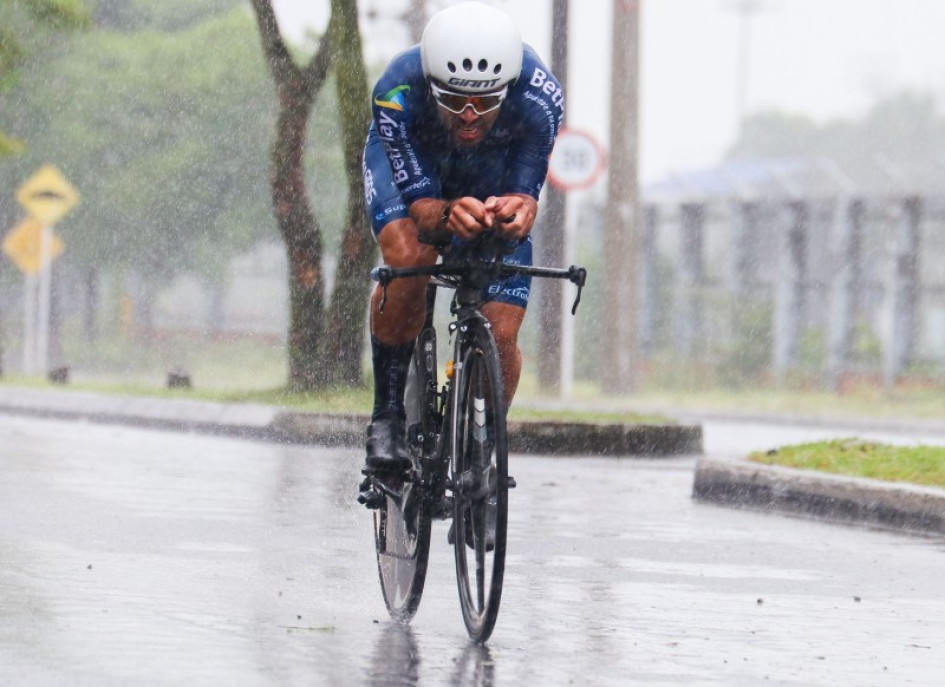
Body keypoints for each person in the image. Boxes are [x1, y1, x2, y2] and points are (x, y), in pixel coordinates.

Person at [362, 1, 563, 473]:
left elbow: (525, 194)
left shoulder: (540, 96)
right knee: (410, 256)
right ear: (431, 85)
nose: (470, 116)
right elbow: (426, 215)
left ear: (508, 88)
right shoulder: (396, 88)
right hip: (416, 170)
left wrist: (519, 210)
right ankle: (387, 417)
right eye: (453, 100)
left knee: (503, 330)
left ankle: (481, 456)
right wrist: (447, 211)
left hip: (490, 176)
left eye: (486, 102)